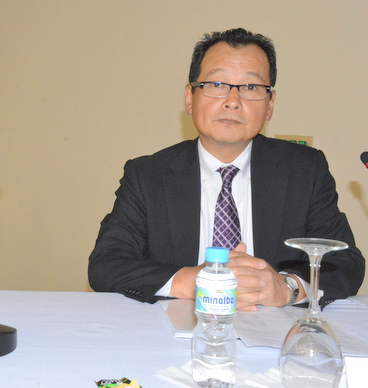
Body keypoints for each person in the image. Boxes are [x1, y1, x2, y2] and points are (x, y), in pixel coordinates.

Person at [88, 28, 364, 312]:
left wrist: (287, 288)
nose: (233, 101)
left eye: (251, 87)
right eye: (217, 84)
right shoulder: (147, 175)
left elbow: (345, 263)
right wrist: (192, 281)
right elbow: (106, 264)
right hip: (176, 326)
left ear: (270, 105)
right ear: (189, 98)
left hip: (275, 328)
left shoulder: (305, 170)